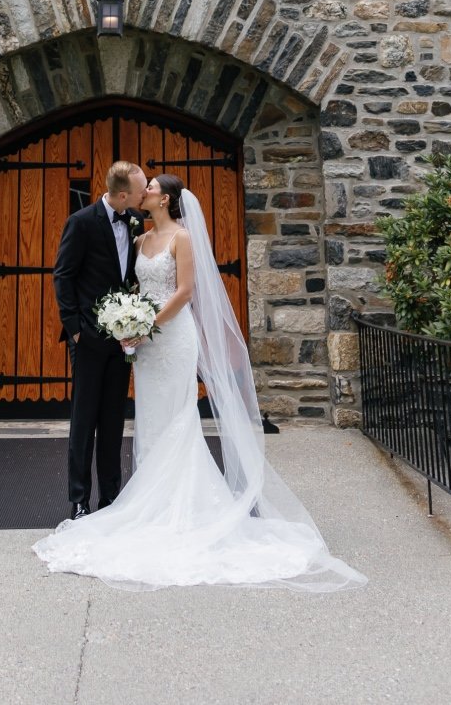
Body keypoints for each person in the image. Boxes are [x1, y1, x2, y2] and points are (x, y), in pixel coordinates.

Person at [35, 174, 368, 592]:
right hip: (145, 345)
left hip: (172, 337)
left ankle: (180, 506)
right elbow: (124, 285)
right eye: (144, 186)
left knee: (178, 417)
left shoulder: (183, 239)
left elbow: (186, 291)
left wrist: (147, 323)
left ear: (168, 198)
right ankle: (144, 502)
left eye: (152, 187)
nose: (146, 192)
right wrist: (124, 322)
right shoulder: (139, 238)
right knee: (151, 419)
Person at [51, 159, 148, 517]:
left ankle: (110, 498)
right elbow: (63, 276)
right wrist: (75, 328)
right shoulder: (81, 222)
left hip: (122, 340)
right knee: (84, 419)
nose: (145, 193)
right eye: (141, 190)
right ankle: (78, 499)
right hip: (88, 338)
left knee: (113, 419)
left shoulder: (135, 220)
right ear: (123, 194)